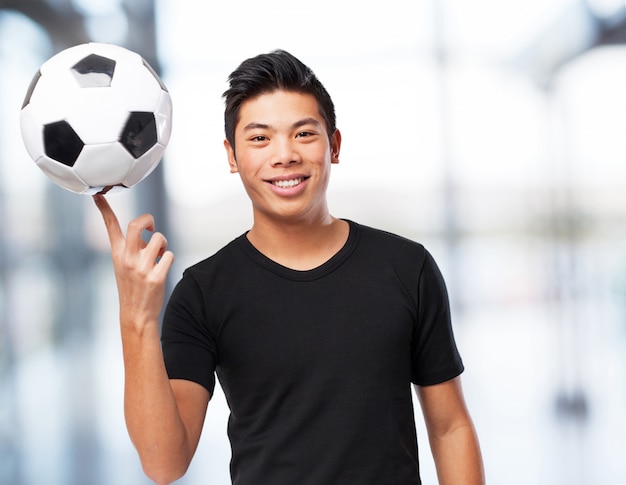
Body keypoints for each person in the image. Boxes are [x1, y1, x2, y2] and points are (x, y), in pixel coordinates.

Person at [94, 49, 485, 485]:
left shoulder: (407, 268)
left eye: (303, 134)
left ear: (334, 145)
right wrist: (137, 317)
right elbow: (164, 463)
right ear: (232, 155)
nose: (284, 156)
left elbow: (451, 428)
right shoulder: (203, 292)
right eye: (260, 138)